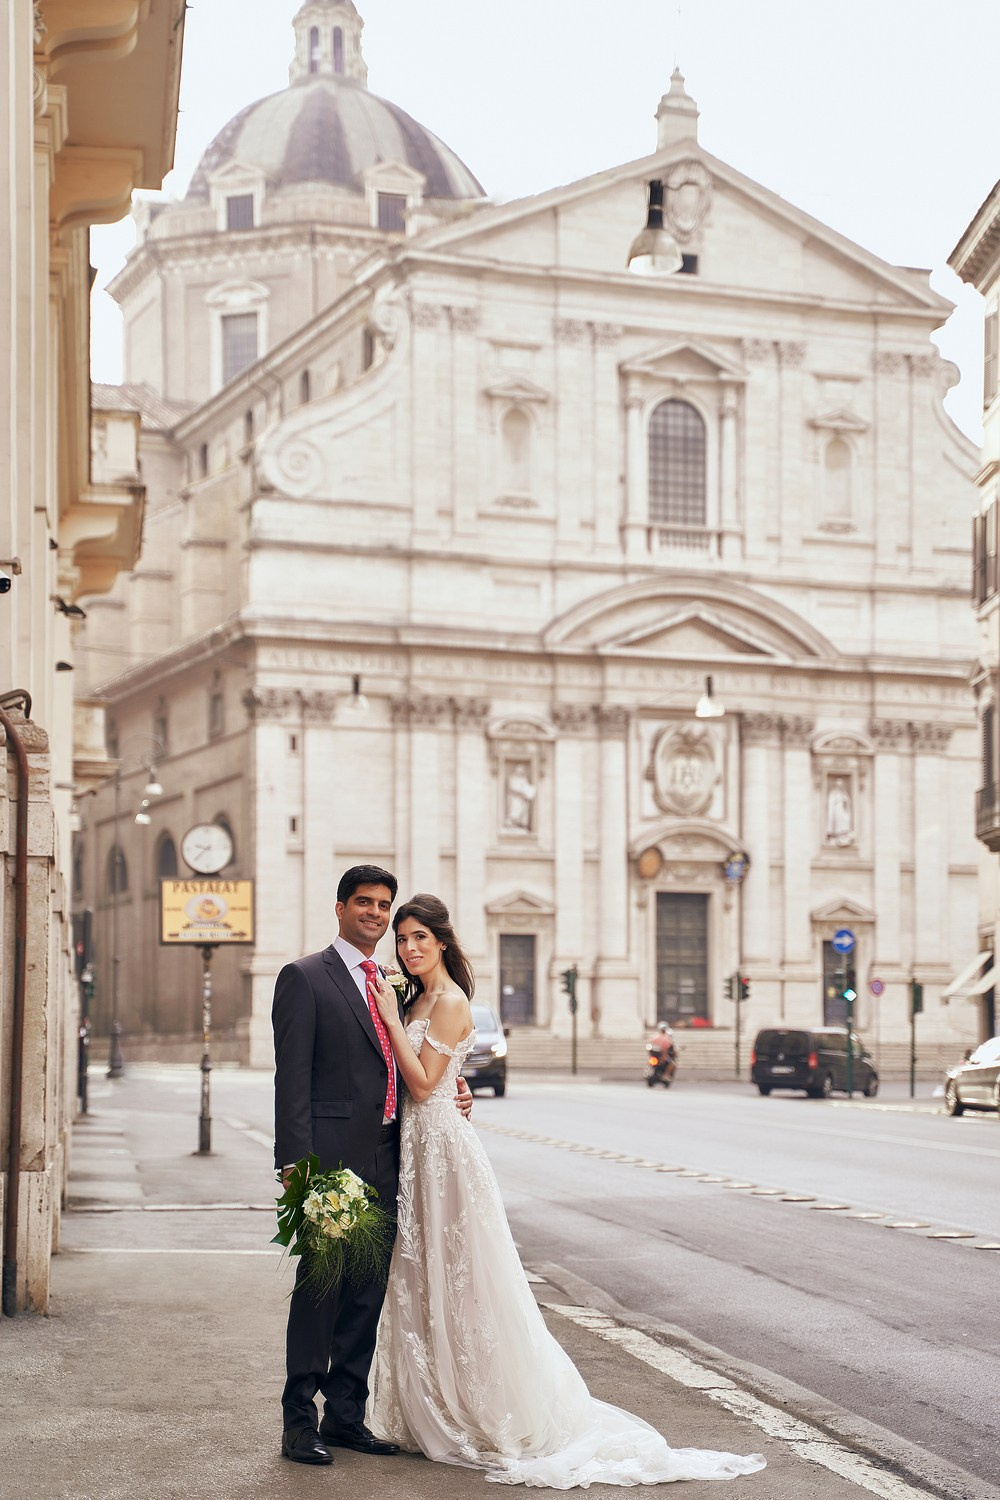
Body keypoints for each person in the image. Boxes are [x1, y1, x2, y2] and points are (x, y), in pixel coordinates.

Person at [368, 893, 766, 1487]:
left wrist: (398, 1028)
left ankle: (475, 1406)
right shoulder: (416, 995)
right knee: (426, 1273)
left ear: (444, 941)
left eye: (420, 937)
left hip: (444, 1153)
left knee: (464, 1276)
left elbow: (425, 1085)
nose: (410, 948)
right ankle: (432, 1399)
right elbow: (434, 1079)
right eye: (402, 939)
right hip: (419, 1151)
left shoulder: (449, 1002)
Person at [271, 865, 473, 1466]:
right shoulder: (305, 977)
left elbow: (424, 1062)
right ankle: (298, 1423)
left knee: (366, 1295)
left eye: (384, 905)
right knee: (320, 1293)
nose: (376, 915)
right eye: (364, 903)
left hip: (393, 1157)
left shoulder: (394, 983)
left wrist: (460, 1092)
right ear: (339, 908)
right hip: (330, 1164)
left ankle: (346, 1418)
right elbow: (293, 1084)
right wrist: (295, 1168)